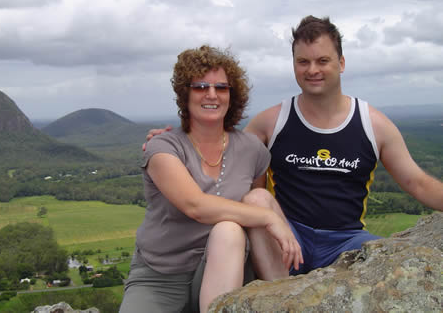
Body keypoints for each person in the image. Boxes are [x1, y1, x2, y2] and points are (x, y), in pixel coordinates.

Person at [144, 16, 443, 278]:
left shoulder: (372, 125)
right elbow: (222, 151)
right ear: (294, 65)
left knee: (396, 264)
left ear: (340, 63)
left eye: (322, 60)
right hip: (285, 237)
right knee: (258, 198)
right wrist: (172, 141)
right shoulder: (272, 121)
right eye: (303, 61)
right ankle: (280, 295)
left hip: (346, 239)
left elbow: (416, 182)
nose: (312, 69)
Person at [120, 45, 301, 313]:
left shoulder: (252, 150)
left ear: (232, 94)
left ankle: (284, 299)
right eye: (200, 86)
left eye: (221, 87)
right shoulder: (163, 147)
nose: (212, 95)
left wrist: (266, 213)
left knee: (246, 212)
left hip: (228, 269)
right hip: (161, 277)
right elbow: (195, 205)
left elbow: (253, 216)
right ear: (185, 94)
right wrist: (271, 218)